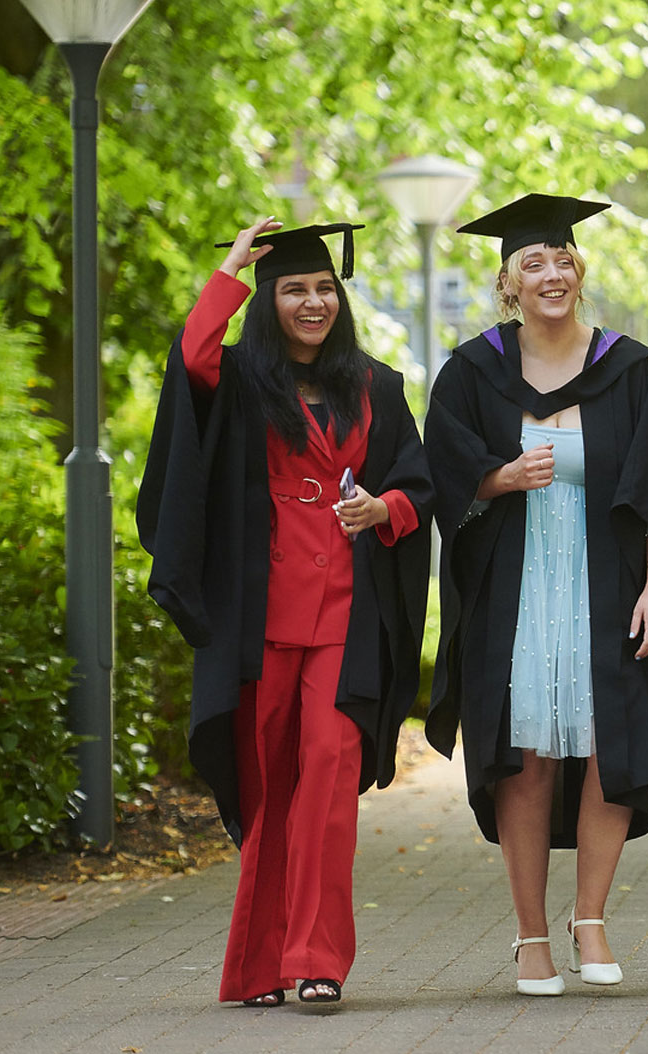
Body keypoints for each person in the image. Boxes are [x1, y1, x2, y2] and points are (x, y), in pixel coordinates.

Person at [138, 218, 432, 1007]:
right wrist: (231, 267)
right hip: (259, 614)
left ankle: (316, 960)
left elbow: (418, 480)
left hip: (345, 614)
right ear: (270, 300)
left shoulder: (376, 385)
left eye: (325, 289)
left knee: (329, 781)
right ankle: (258, 968)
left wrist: (387, 508)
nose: (313, 302)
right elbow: (191, 357)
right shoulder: (237, 380)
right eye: (295, 289)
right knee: (269, 788)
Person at [425, 194, 648, 996]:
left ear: (580, 271)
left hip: (607, 585)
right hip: (517, 588)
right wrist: (499, 477)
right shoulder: (473, 372)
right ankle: (531, 936)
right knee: (526, 758)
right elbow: (443, 473)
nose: (551, 273)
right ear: (507, 283)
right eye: (532, 263)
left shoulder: (634, 369)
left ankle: (592, 922)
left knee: (611, 754)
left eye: (562, 260)